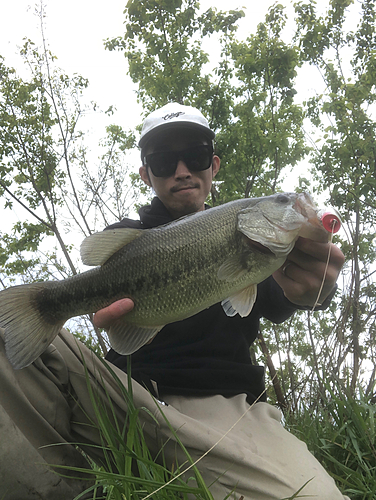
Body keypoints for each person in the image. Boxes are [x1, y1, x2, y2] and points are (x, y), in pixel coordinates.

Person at [0, 103, 347, 500]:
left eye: (196, 157)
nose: (182, 170)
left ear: (213, 166)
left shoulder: (256, 245)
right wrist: (93, 312)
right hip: (122, 398)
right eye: (164, 162)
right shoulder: (129, 237)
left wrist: (315, 289)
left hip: (224, 412)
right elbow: (109, 309)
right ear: (147, 174)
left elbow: (284, 295)